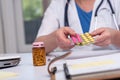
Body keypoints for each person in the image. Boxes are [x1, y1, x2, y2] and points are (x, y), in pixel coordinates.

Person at [35, 0, 120, 54]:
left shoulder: (116, 2)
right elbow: (37, 47)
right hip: (72, 71)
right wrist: (56, 38)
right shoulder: (58, 4)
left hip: (111, 71)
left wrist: (114, 37)